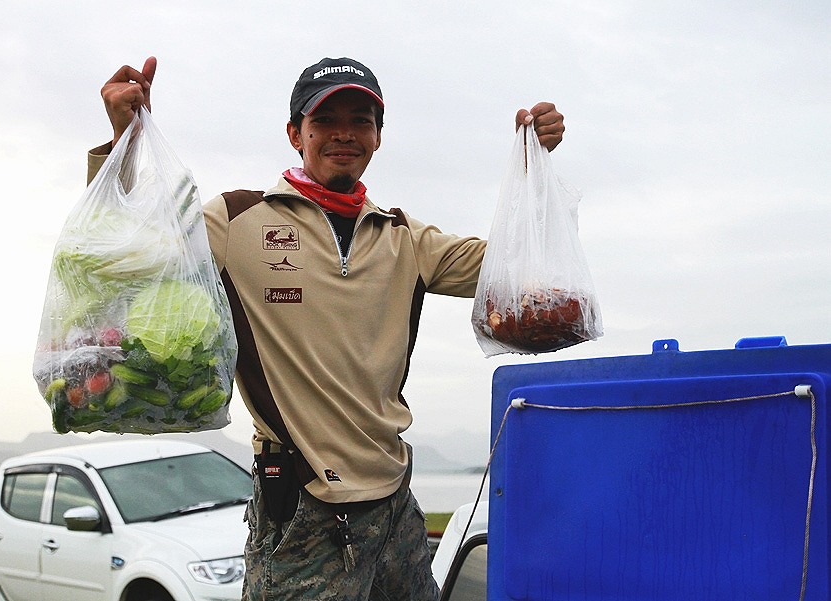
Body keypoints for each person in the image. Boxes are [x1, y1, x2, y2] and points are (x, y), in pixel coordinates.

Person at [91, 56, 565, 600]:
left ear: (379, 137)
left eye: (361, 120)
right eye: (325, 119)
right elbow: (127, 255)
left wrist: (534, 170)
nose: (344, 133)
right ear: (296, 133)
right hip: (302, 512)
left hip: (395, 511)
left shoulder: (404, 237)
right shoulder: (237, 219)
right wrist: (122, 142)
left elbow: (513, 265)